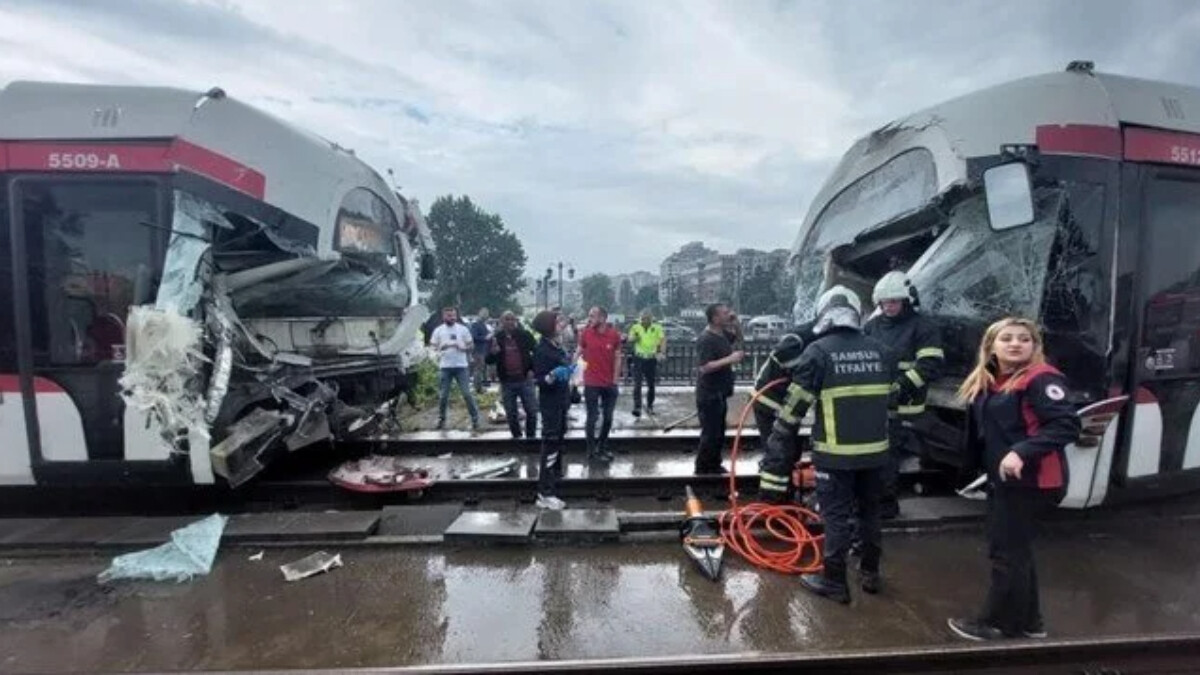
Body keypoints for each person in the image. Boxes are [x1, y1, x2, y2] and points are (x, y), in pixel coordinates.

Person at [948, 317, 1079, 641]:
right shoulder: (992, 381)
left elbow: (1066, 425)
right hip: (1004, 480)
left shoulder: (1041, 379)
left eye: (1024, 339)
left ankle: (997, 623)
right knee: (1017, 552)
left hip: (1032, 480)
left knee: (1005, 553)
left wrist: (1022, 451)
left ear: (1035, 347)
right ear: (991, 346)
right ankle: (1031, 621)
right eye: (1007, 338)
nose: (1015, 344)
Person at [763, 286, 894, 603]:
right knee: (869, 515)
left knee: (835, 518)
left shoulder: (818, 352)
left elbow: (794, 409)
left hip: (835, 457)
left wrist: (776, 454)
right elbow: (892, 400)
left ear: (823, 314)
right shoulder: (882, 350)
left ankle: (834, 581)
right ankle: (870, 574)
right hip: (877, 453)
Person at [863, 271, 945, 519]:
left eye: (894, 302)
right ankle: (872, 502)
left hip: (905, 406)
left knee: (889, 457)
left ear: (907, 301)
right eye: (884, 302)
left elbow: (930, 365)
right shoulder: (871, 326)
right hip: (875, 403)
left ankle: (887, 506)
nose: (888, 307)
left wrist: (900, 387)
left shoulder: (923, 327)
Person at [753, 320, 816, 502]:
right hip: (769, 403)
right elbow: (793, 365)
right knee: (779, 448)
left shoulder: (813, 336)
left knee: (789, 448)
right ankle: (773, 498)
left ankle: (786, 489)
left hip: (786, 404)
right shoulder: (795, 339)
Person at [694, 303, 744, 476]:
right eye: (724, 313)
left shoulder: (721, 334)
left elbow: (738, 339)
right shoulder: (706, 339)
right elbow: (704, 367)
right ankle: (702, 468)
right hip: (708, 393)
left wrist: (736, 323)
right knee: (710, 433)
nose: (728, 314)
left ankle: (714, 464)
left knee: (719, 432)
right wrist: (729, 359)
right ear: (715, 318)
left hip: (720, 393)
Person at [532, 310, 574, 510]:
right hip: (551, 403)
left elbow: (564, 366)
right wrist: (552, 376)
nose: (560, 323)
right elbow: (540, 380)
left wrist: (571, 373)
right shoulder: (542, 349)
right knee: (550, 444)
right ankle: (544, 493)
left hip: (561, 400)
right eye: (556, 321)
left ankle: (554, 480)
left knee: (558, 441)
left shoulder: (556, 345)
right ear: (547, 326)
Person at [576, 306, 622, 462]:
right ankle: (591, 450)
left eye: (593, 316)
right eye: (589, 316)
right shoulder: (586, 333)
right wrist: (574, 371)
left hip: (609, 383)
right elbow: (579, 351)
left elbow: (617, 357)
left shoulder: (614, 335)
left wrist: (615, 379)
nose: (590, 319)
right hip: (591, 382)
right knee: (592, 417)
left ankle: (602, 446)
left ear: (603, 318)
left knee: (608, 418)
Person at [487, 311, 539, 439]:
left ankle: (531, 438)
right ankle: (517, 438)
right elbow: (488, 360)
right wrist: (493, 352)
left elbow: (537, 353)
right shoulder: (497, 338)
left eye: (512, 319)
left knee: (532, 411)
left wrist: (533, 369)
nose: (510, 322)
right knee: (511, 413)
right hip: (507, 381)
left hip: (525, 379)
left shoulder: (525, 335)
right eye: (506, 319)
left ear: (516, 320)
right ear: (501, 322)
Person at [430, 307, 480, 431]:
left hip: (461, 366)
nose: (451, 318)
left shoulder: (463, 329)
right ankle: (442, 419)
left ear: (456, 316)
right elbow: (432, 347)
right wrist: (441, 347)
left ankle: (475, 419)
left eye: (453, 316)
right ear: (443, 317)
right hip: (445, 367)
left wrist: (462, 347)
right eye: (448, 316)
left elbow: (471, 345)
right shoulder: (438, 330)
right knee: (443, 396)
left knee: (467, 394)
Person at [628, 311, 666, 418]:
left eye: (647, 319)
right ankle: (637, 407)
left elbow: (662, 340)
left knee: (651, 384)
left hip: (651, 359)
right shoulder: (635, 327)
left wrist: (662, 352)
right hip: (639, 358)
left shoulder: (657, 327)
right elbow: (630, 339)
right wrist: (635, 338)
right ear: (640, 319)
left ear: (651, 319)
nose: (645, 320)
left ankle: (650, 406)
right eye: (643, 319)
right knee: (637, 384)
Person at [470, 308, 492, 393]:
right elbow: (474, 337)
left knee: (481, 368)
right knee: (478, 369)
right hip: (478, 350)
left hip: (483, 350)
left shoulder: (483, 324)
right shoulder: (476, 325)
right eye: (485, 314)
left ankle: (480, 385)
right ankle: (478, 387)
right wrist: (485, 338)